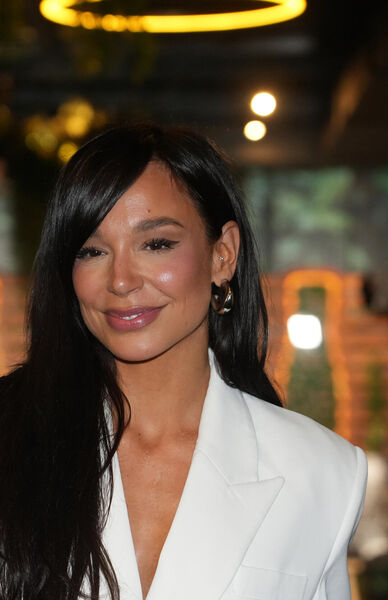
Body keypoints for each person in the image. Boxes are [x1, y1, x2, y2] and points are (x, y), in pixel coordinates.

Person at [0, 124, 367, 600]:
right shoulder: (12, 432)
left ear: (223, 255)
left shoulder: (321, 471)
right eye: (92, 251)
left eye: (156, 244)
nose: (121, 280)